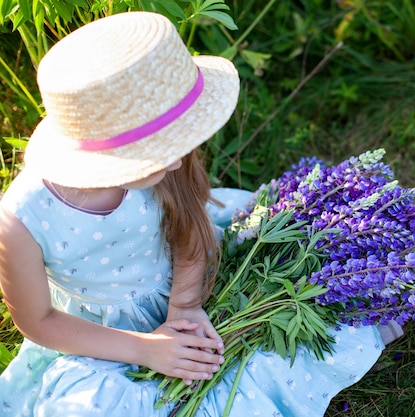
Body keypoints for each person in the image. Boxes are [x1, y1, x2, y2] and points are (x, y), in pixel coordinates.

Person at [0, 12, 389, 417]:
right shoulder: (21, 218)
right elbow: (39, 320)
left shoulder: (169, 162)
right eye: (165, 149)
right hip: (97, 334)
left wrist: (184, 307)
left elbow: (188, 224)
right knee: (87, 407)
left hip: (189, 279)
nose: (178, 159)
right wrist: (145, 349)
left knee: (263, 341)